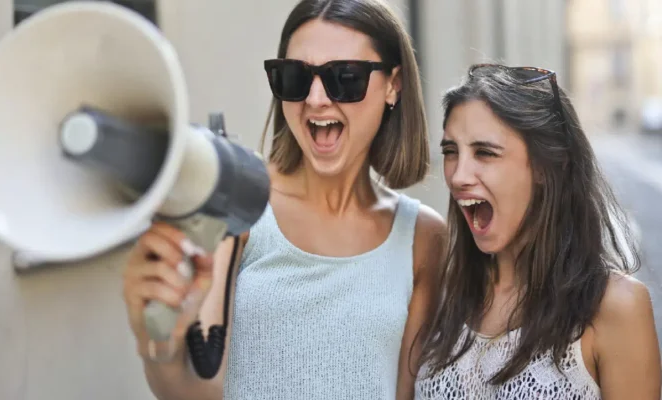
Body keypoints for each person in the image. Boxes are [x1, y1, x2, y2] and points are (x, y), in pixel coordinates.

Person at [121, 0, 447, 399]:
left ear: (393, 85)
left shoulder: (424, 238)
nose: (315, 99)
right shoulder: (242, 201)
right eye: (294, 77)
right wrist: (159, 350)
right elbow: (199, 389)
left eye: (344, 77)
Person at [413, 64, 662, 399]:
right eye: (450, 152)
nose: (458, 175)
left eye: (484, 152)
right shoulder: (441, 293)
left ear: (548, 166)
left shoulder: (616, 307)